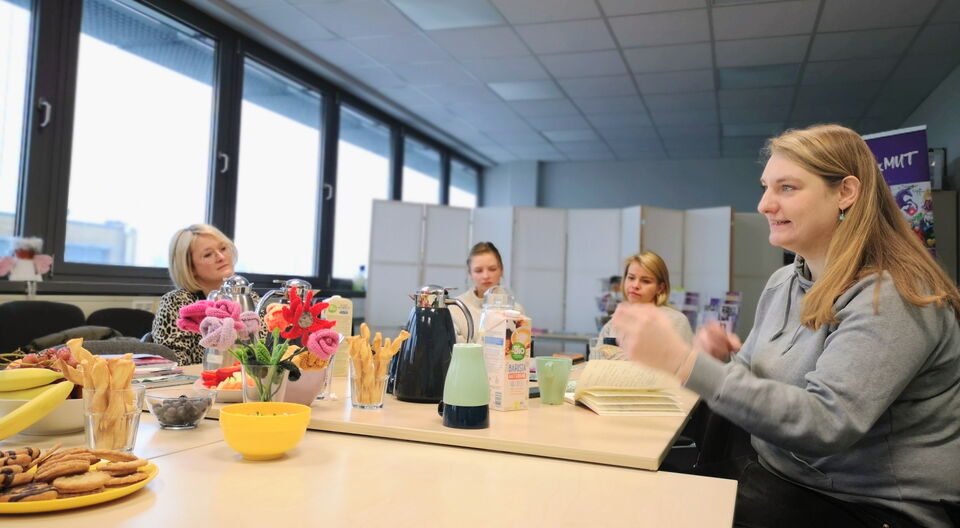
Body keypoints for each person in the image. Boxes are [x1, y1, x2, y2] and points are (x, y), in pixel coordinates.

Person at [612, 124, 960, 527]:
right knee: (634, 500)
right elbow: (752, 382)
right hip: (777, 475)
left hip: (869, 506)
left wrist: (683, 362)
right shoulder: (784, 282)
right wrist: (721, 360)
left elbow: (826, 423)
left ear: (846, 193)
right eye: (766, 186)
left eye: (787, 188)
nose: (763, 204)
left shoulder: (896, 294)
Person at [152, 224, 258, 365]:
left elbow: (266, 353)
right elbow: (173, 364)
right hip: (198, 383)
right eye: (208, 254)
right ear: (190, 267)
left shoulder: (250, 297)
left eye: (223, 248)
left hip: (249, 381)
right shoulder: (176, 302)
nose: (221, 257)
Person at [596, 252, 692, 359]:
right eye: (631, 278)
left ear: (660, 288)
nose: (635, 285)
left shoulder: (675, 321)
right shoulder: (614, 322)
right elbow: (595, 360)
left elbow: (676, 368)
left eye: (646, 281)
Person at [451, 242, 524, 343]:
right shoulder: (456, 308)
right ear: (470, 273)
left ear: (501, 270)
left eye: (492, 269)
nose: (486, 276)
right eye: (478, 270)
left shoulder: (515, 310)